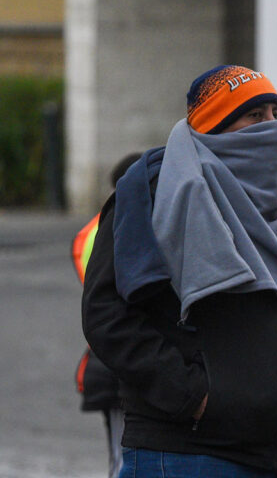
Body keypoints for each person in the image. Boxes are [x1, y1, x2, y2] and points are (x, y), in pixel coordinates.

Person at [82, 65, 277, 478]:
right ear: (215, 126)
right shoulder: (152, 192)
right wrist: (194, 397)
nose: (272, 129)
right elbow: (108, 314)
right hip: (188, 456)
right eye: (255, 116)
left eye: (275, 115)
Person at [73, 151, 141, 478]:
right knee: (123, 462)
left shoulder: (94, 230)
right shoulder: (119, 228)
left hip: (111, 363)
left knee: (124, 458)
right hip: (118, 368)